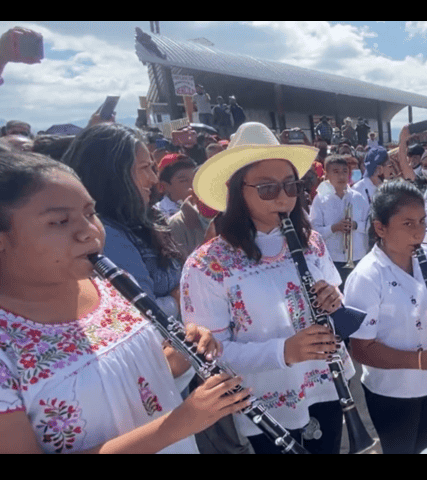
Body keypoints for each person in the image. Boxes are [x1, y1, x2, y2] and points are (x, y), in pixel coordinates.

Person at [0, 150, 249, 453]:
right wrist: (177, 425)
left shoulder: (112, 287)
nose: (89, 232)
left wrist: (182, 356)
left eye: (90, 213)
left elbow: (131, 380)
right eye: (60, 221)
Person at [180, 122, 350, 454]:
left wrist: (334, 301)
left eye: (291, 186)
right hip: (266, 406)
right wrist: (284, 351)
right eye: (267, 188)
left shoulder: (312, 241)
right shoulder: (207, 264)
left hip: (325, 386)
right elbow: (210, 355)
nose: (284, 198)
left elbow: (336, 300)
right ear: (236, 190)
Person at [345, 180, 427, 454]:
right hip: (392, 392)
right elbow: (360, 349)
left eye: (422, 222)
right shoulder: (366, 277)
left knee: (426, 448)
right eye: (408, 224)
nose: (418, 232)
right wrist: (422, 360)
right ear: (380, 228)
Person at [61, 124, 185, 321]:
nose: (154, 179)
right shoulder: (106, 235)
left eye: (152, 167)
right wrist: (178, 300)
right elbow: (141, 317)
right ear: (113, 174)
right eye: (144, 168)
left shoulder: (142, 219)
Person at [309, 155, 369, 288]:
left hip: (357, 256)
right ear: (327, 175)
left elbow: (370, 226)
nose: (341, 176)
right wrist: (334, 228)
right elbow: (313, 232)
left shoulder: (359, 198)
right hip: (332, 259)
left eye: (344, 171)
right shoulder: (320, 200)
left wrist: (355, 225)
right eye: (336, 172)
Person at [153, 154, 197, 220]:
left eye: (195, 179)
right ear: (165, 186)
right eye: (184, 181)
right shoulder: (158, 213)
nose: (192, 185)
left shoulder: (205, 206)